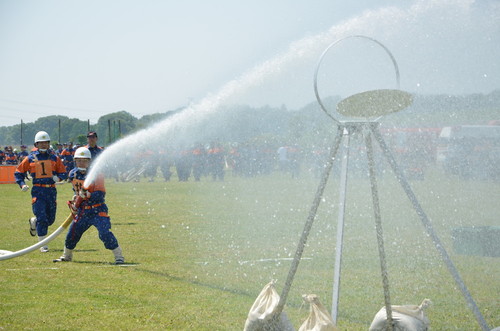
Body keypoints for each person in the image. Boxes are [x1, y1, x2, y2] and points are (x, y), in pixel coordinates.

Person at [54, 147, 124, 264]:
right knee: (72, 233)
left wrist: (88, 194)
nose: (82, 163)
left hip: (97, 208)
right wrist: (76, 197)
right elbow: (75, 190)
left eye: (85, 160)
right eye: (79, 160)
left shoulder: (97, 174)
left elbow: (101, 194)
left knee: (104, 233)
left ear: (89, 161)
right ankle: (67, 255)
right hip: (83, 211)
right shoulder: (73, 173)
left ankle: (118, 255)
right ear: (75, 161)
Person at [14, 131, 67, 252]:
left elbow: (63, 173)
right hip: (38, 190)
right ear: (36, 144)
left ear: (49, 144)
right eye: (41, 143)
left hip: (51, 191)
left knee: (50, 220)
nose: (43, 145)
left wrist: (57, 178)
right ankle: (42, 244)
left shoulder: (55, 158)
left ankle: (35, 222)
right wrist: (22, 184)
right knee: (42, 217)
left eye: (46, 142)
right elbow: (18, 173)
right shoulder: (30, 158)